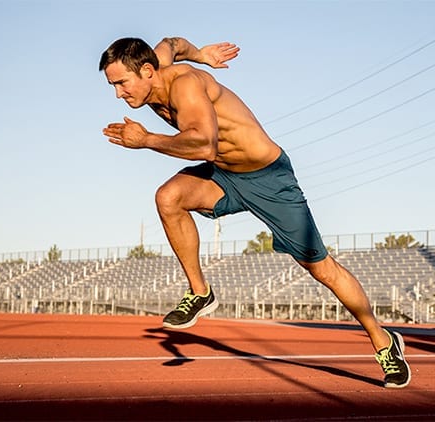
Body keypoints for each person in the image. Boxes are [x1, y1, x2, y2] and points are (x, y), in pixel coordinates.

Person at [100, 36, 411, 388]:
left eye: (122, 84)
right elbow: (172, 42)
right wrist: (202, 53)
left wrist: (146, 140)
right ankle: (200, 292)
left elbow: (204, 144)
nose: (118, 94)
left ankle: (384, 342)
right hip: (224, 175)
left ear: (146, 71)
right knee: (168, 197)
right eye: (112, 85)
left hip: (268, 178)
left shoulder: (184, 86)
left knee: (322, 269)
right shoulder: (157, 61)